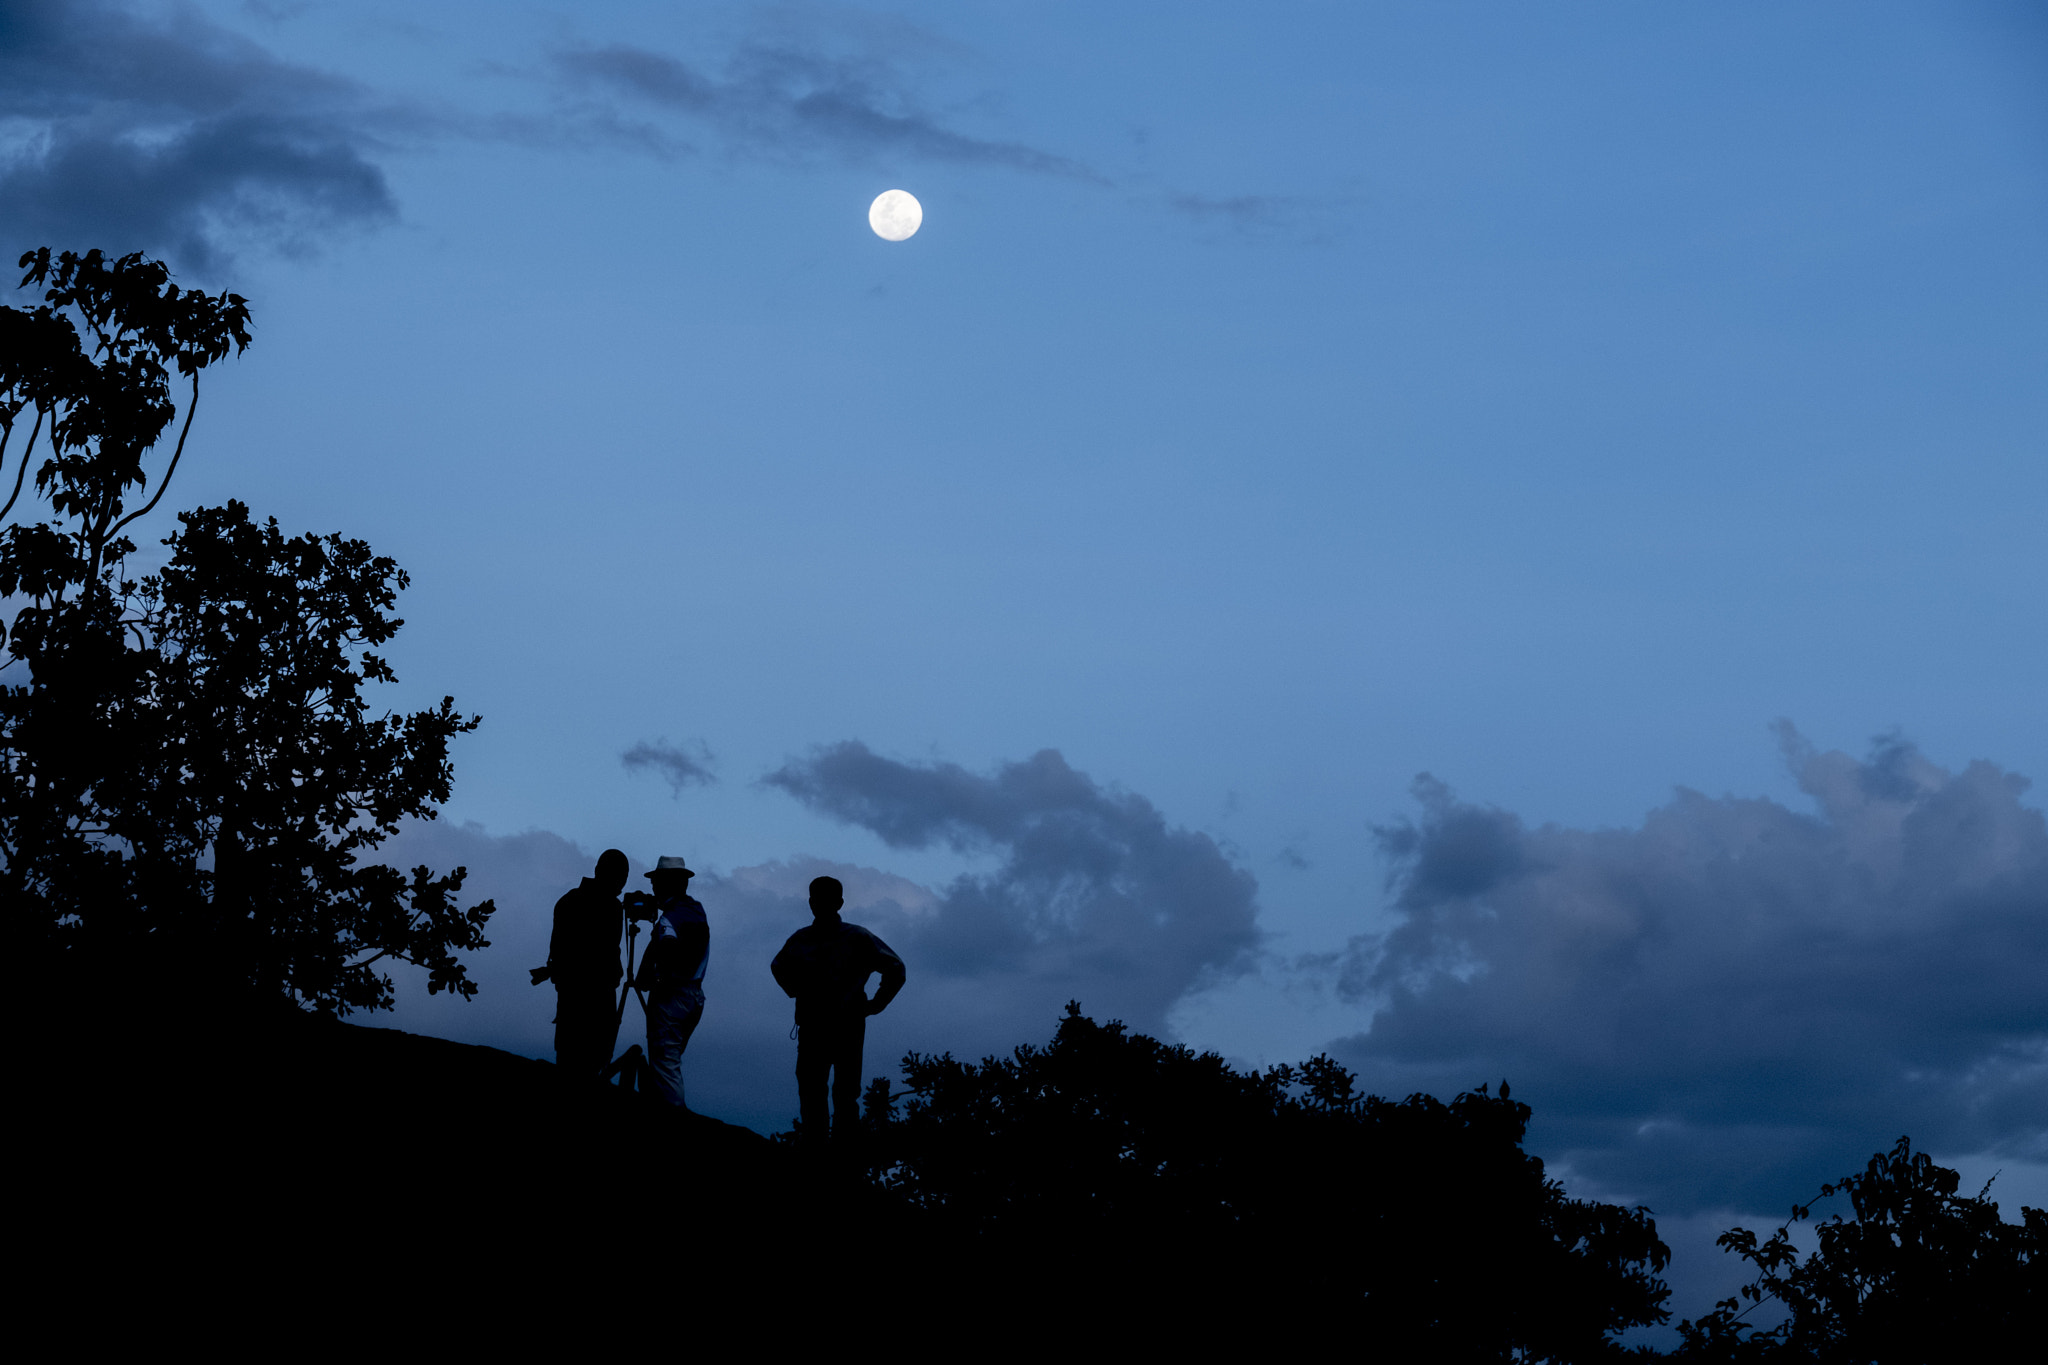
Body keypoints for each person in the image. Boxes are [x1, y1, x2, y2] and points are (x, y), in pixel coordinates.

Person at [770, 875, 906, 1146]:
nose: (816, 903)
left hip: (844, 1026)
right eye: (814, 898)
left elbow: (896, 969)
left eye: (821, 899)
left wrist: (875, 1005)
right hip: (820, 1027)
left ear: (839, 903)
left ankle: (836, 1157)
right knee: (819, 1093)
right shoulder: (805, 938)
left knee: (837, 1094)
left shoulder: (855, 937)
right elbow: (779, 967)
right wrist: (874, 1005)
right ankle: (823, 1154)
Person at [629, 855, 710, 1110]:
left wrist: (657, 978)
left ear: (668, 883)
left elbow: (668, 947)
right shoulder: (696, 910)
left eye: (657, 882)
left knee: (665, 1065)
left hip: (672, 998)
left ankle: (673, 1120)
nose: (653, 887)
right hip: (694, 997)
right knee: (669, 1062)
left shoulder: (669, 919)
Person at [540, 848, 628, 1081]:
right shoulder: (612, 908)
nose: (622, 886)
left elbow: (556, 953)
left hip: (571, 999)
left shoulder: (567, 902)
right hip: (596, 1001)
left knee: (569, 1064)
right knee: (591, 1066)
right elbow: (611, 953)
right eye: (621, 878)